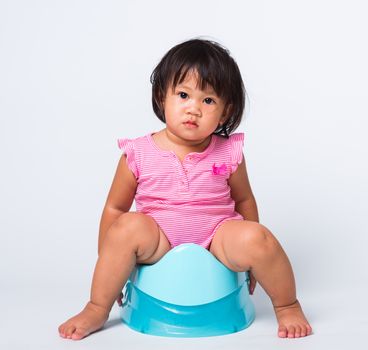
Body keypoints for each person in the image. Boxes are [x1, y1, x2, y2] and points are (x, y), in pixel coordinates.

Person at [58, 38, 312, 340]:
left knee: (261, 239)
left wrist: (251, 259)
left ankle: (287, 305)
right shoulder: (137, 152)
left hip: (218, 239)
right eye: (183, 95)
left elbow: (244, 198)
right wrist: (111, 263)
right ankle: (96, 308)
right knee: (126, 227)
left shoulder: (229, 152)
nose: (194, 109)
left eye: (208, 101)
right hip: (158, 241)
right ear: (161, 97)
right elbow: (115, 208)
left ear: (225, 111)